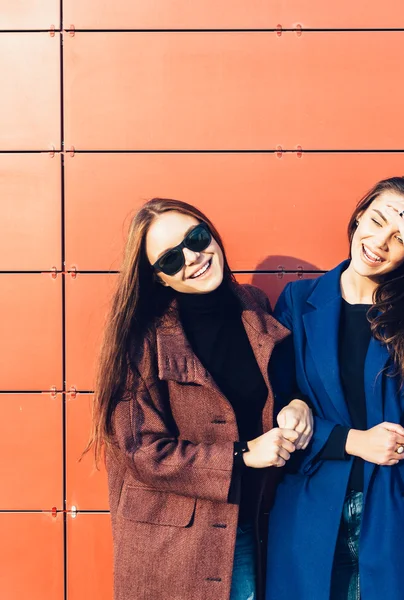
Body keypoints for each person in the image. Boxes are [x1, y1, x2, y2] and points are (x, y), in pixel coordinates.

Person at [85, 198, 312, 600]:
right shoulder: (141, 339)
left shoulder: (254, 305)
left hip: (250, 522)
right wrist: (242, 455)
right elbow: (141, 451)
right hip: (173, 545)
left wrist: (296, 405)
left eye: (197, 237)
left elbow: (274, 387)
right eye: (171, 260)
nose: (193, 257)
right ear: (158, 278)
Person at [266, 176, 404, 600]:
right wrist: (352, 441)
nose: (379, 242)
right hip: (313, 506)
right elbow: (276, 402)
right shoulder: (299, 299)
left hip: (398, 508)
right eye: (376, 221)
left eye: (399, 239)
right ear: (359, 215)